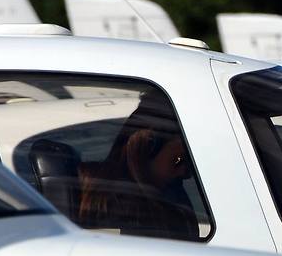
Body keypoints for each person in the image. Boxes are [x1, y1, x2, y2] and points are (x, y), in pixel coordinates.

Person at [78, 93, 200, 240]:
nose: (185, 173)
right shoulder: (128, 211)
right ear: (147, 148)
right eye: (179, 159)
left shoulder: (169, 197)